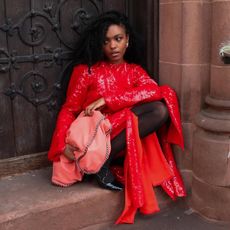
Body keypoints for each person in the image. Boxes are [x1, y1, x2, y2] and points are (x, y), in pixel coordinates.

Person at [48, 11, 186, 224]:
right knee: (142, 114)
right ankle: (98, 160)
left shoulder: (134, 71)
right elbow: (69, 109)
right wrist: (59, 146)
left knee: (159, 109)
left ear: (127, 40)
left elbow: (154, 90)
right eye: (106, 41)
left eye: (118, 39)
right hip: (96, 136)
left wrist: (107, 100)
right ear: (99, 45)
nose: (113, 46)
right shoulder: (87, 71)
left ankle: (104, 161)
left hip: (122, 137)